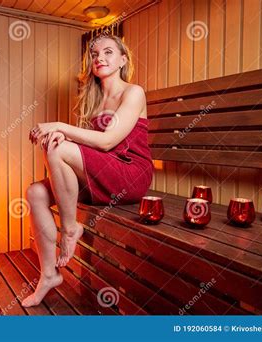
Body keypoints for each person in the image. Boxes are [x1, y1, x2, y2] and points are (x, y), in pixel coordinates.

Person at [22, 34, 154, 307]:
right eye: (94, 54)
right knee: (35, 192)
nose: (99, 58)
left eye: (108, 52)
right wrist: (61, 137)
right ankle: (49, 274)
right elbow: (89, 152)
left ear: (122, 60)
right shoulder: (93, 101)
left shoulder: (133, 92)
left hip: (130, 173)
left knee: (58, 145)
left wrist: (60, 128)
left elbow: (107, 142)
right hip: (102, 173)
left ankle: (70, 229)